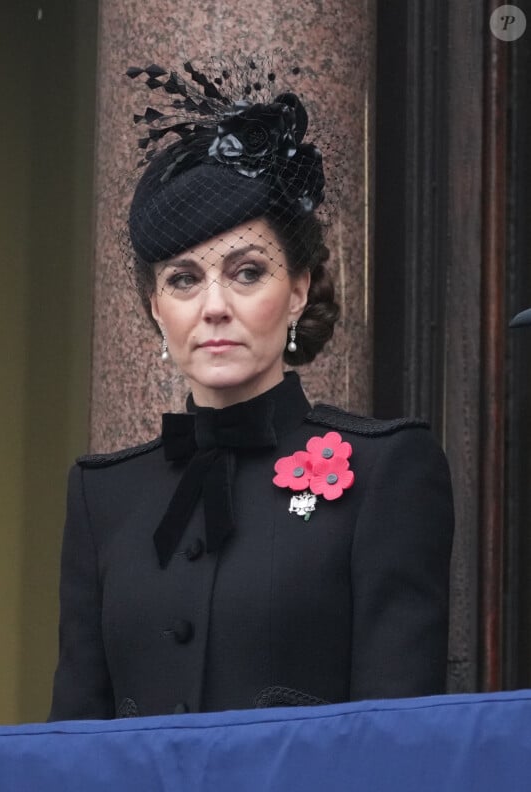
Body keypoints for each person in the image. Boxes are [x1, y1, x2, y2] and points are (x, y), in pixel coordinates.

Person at [49, 62, 454, 721]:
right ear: (156, 306)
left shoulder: (387, 471)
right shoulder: (105, 497)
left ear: (297, 289)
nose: (213, 307)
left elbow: (398, 739)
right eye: (183, 280)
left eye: (246, 273)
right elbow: (71, 739)